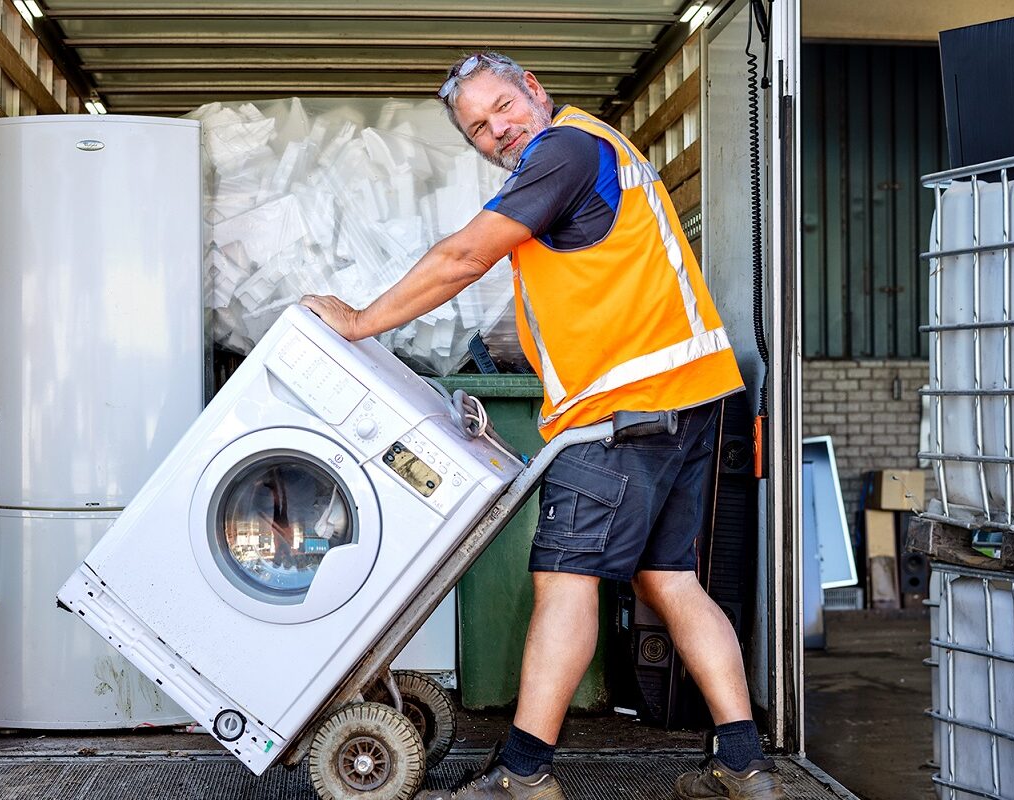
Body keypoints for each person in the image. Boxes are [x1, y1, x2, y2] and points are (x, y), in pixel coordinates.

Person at [299, 51, 785, 800]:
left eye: (502, 107)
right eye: (479, 128)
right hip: (688, 403)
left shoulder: (561, 149)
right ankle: (745, 765)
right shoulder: (599, 148)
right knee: (672, 581)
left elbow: (464, 256)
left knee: (563, 583)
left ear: (535, 88)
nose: (498, 129)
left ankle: (524, 773)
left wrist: (361, 322)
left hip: (617, 420)